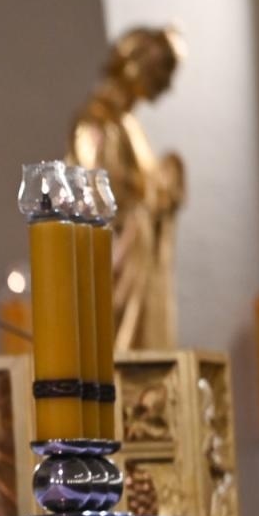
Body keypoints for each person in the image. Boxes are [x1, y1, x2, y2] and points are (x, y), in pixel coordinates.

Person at [71, 25, 186, 351]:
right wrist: (148, 193)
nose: (166, 85)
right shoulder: (94, 123)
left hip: (142, 268)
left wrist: (165, 183)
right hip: (117, 266)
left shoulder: (129, 127)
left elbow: (142, 192)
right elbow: (92, 196)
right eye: (162, 71)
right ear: (137, 63)